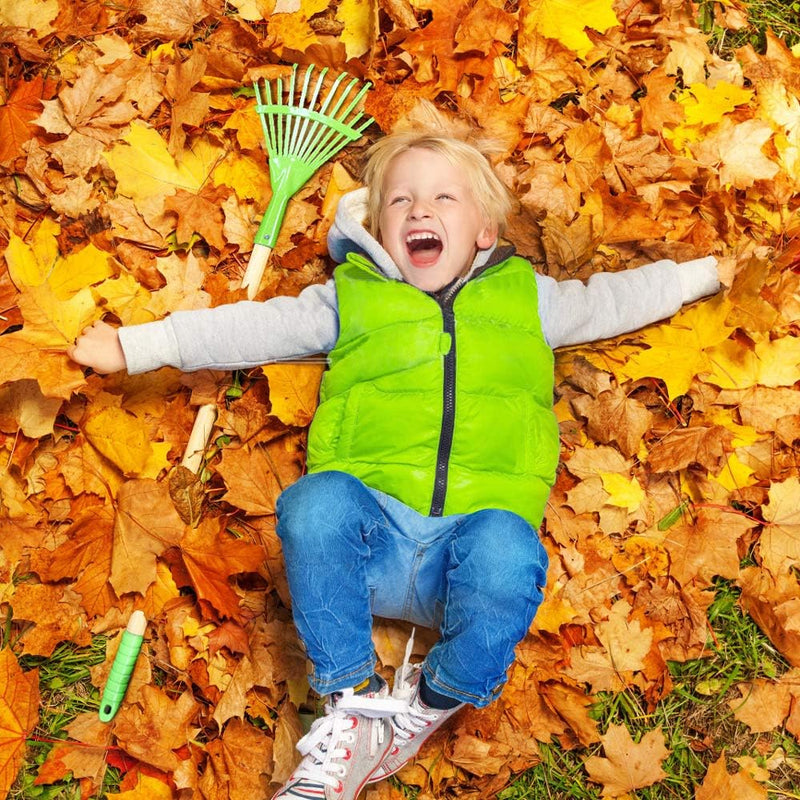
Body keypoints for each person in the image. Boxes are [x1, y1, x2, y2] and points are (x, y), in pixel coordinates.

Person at [69, 110, 721, 799]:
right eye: (401, 200)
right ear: (380, 231)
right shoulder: (351, 299)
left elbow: (616, 298)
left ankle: (425, 707)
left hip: (465, 565)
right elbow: (250, 328)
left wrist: (703, 274)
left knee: (511, 549)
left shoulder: (529, 300)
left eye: (444, 197)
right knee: (314, 505)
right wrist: (140, 346)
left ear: (484, 232)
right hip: (367, 543)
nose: (421, 209)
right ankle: (349, 704)